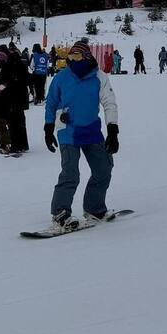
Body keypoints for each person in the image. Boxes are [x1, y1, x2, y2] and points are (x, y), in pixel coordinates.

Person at [43, 40, 119, 231]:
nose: (71, 60)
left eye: (76, 56)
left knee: (103, 168)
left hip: (92, 129)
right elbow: (51, 103)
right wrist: (48, 128)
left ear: (86, 57)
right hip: (68, 131)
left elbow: (109, 103)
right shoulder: (61, 77)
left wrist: (112, 130)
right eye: (70, 56)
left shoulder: (99, 77)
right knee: (71, 173)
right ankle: (60, 213)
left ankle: (94, 208)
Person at [8, 43, 30, 152]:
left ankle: (15, 144)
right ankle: (23, 144)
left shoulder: (11, 64)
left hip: (13, 96)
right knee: (21, 121)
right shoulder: (22, 62)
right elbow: (27, 79)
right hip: (22, 96)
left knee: (13, 122)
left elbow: (8, 81)